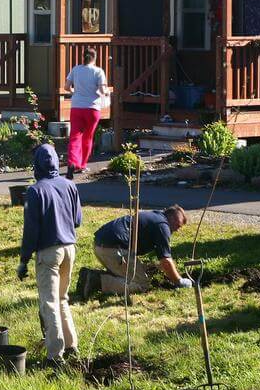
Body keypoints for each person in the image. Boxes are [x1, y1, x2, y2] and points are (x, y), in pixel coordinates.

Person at [17, 144, 83, 366]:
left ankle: (55, 355)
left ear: (36, 164)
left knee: (49, 303)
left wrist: (24, 260)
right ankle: (72, 345)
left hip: (49, 252)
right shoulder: (69, 185)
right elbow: (77, 221)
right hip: (70, 249)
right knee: (63, 299)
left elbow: (31, 231)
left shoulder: (36, 191)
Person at [90, 205, 193, 296]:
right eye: (177, 225)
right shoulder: (162, 225)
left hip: (101, 244)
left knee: (134, 273)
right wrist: (179, 281)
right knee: (142, 284)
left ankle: (99, 278)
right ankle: (96, 281)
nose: (177, 230)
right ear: (171, 217)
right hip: (113, 249)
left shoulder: (156, 217)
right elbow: (166, 261)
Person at [64, 48, 108, 179]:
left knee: (74, 137)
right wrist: (106, 92)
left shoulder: (76, 69)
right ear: (95, 58)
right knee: (87, 137)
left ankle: (72, 162)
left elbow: (66, 87)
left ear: (83, 57)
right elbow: (101, 90)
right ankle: (82, 164)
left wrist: (75, 93)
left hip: (77, 106)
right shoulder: (98, 71)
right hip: (93, 108)